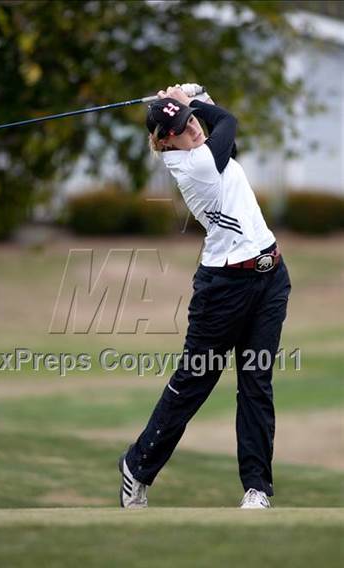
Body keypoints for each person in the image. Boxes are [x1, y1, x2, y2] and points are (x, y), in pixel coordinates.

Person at [119, 84, 292, 509]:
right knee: (196, 382)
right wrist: (191, 99)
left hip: (271, 278)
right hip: (224, 290)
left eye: (192, 122)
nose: (192, 128)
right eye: (180, 127)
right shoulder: (193, 166)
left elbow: (218, 122)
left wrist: (192, 98)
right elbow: (227, 122)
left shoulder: (202, 147)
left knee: (257, 382)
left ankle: (256, 489)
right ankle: (136, 468)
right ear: (164, 142)